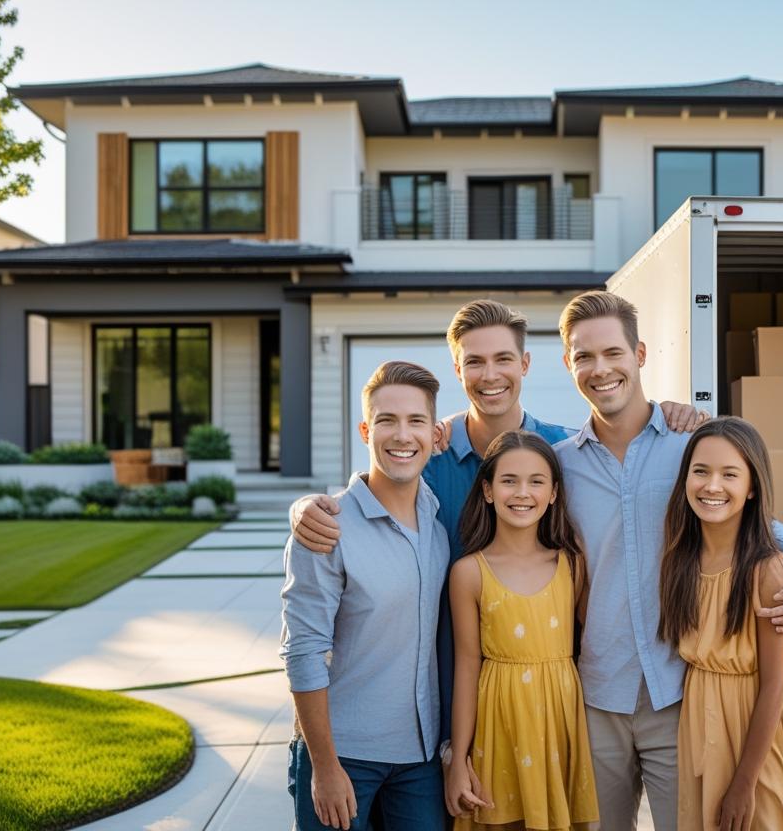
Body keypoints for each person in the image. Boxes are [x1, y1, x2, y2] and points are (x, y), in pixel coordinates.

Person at [289, 299, 709, 775]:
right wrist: (309, 507)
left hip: (548, 697)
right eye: (475, 361)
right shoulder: (431, 455)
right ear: (457, 369)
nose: (490, 376)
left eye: (504, 359)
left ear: (526, 364)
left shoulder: (564, 454)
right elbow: (379, 479)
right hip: (444, 700)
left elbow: (723, 506)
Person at [553, 290, 783, 831]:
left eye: (612, 352)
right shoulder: (560, 465)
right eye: (583, 356)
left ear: (639, 354)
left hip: (680, 695)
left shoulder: (690, 447)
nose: (599, 368)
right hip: (597, 695)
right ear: (568, 363)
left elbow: (755, 520)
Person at [280, 361, 453, 831]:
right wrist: (324, 766)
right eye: (386, 421)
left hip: (420, 760)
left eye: (416, 421)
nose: (402, 435)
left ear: (435, 434)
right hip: (344, 756)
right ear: (364, 430)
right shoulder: (327, 526)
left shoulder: (437, 524)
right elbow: (303, 650)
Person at [658, 417, 783, 831]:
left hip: (756, 737)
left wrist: (744, 783)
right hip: (700, 728)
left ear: (752, 488)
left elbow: (773, 684)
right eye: (701, 472)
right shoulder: (681, 559)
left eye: (730, 474)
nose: (712, 486)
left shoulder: (766, 570)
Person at [444, 430, 599, 831]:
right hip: (499, 725)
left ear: (553, 493)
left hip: (559, 723)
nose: (522, 493)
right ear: (488, 490)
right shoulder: (468, 573)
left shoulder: (571, 562)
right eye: (509, 480)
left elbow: (588, 643)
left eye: (536, 481)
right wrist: (458, 759)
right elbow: (466, 667)